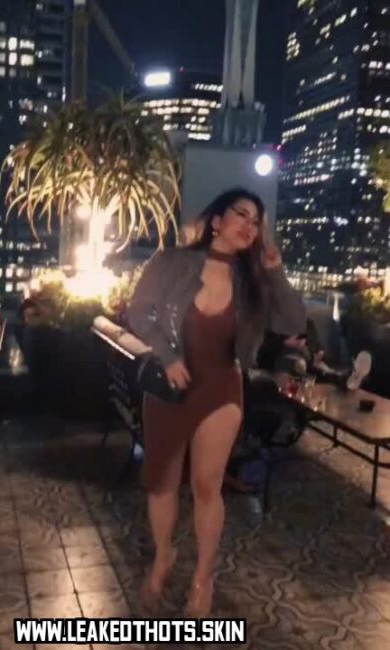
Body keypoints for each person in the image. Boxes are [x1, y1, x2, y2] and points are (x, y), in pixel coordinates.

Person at [127, 188, 305, 617]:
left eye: (256, 221)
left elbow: (293, 322)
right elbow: (139, 312)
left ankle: (203, 578)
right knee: (163, 483)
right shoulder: (171, 262)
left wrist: (275, 273)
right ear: (217, 221)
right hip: (171, 386)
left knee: (207, 486)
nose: (249, 225)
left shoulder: (253, 282)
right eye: (241, 214)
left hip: (221, 388)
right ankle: (163, 556)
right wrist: (168, 357)